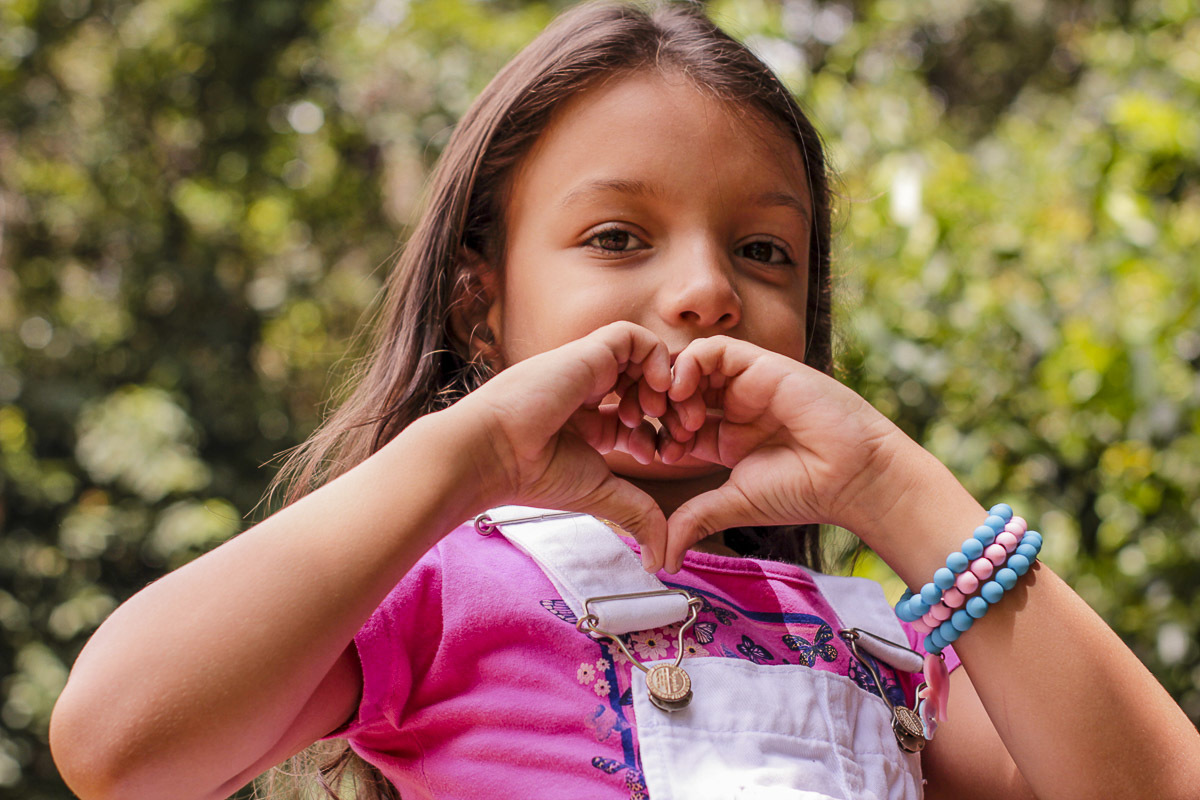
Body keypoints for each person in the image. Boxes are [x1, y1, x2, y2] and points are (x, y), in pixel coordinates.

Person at [48, 2, 1200, 799]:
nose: (705, 291)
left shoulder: (887, 648)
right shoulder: (439, 590)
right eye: (616, 237)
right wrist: (471, 454)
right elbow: (118, 746)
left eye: (763, 250)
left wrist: (891, 485)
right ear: (479, 306)